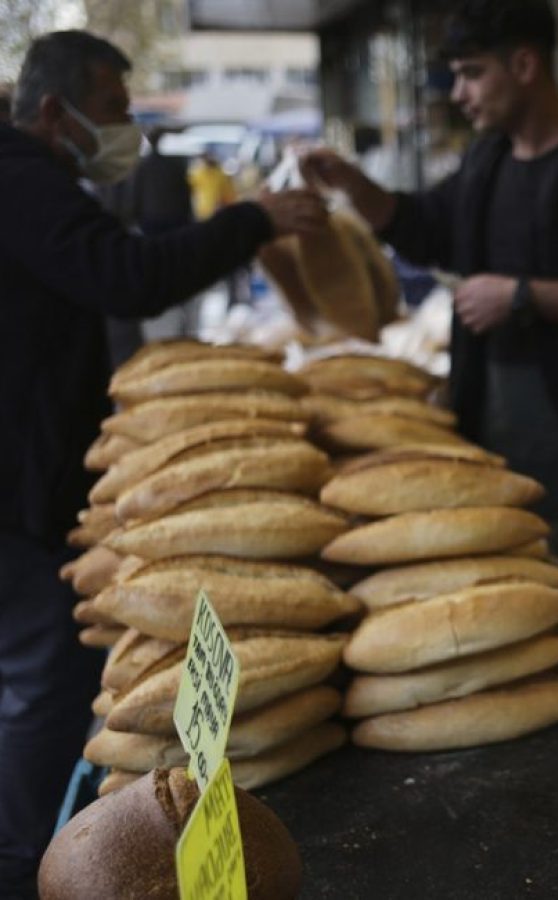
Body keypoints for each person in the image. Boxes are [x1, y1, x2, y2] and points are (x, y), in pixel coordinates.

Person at [0, 30, 326, 895]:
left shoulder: (33, 178)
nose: (127, 129)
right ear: (50, 110)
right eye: (111, 110)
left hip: (34, 476)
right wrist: (252, 220)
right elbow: (127, 275)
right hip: (17, 492)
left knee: (40, 676)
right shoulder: (20, 178)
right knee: (42, 680)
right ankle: (30, 858)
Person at [302, 0, 558, 520]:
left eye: (472, 75)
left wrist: (520, 297)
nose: (459, 94)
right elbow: (427, 226)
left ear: (525, 66)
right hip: (495, 435)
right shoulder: (488, 160)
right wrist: (352, 184)